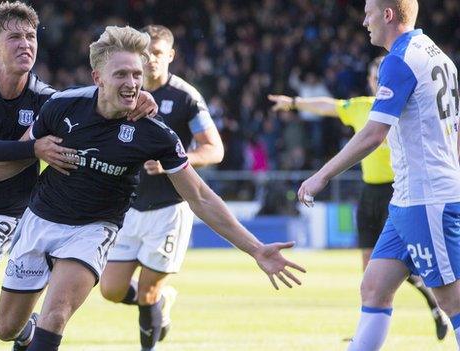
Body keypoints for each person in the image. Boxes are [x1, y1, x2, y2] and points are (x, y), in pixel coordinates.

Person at [0, 25, 306, 351]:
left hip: (94, 229)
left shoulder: (154, 133)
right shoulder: (62, 106)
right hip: (40, 221)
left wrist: (255, 249)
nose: (132, 83)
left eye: (136, 75)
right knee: (5, 329)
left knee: (56, 315)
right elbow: (24, 154)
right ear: (98, 77)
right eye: (121, 74)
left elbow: (200, 196)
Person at [0, 3, 156, 351]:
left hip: (2, 211)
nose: (25, 44)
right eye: (14, 37)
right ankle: (25, 334)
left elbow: (99, 98)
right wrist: (33, 149)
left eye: (30, 36)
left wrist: (137, 96)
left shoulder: (48, 100)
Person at [296, 1, 460, 349]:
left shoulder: (399, 60)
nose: (363, 19)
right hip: (406, 199)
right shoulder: (436, 55)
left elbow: (373, 134)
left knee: (452, 300)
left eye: (369, 11)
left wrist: (322, 175)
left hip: (426, 199)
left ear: (387, 15)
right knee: (374, 287)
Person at [268, 56, 448, 340]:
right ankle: (368, 329)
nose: (378, 82)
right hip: (369, 193)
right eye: (374, 78)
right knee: (370, 267)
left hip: (399, 192)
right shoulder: (362, 106)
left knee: (410, 263)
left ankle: (434, 305)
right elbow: (328, 106)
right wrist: (293, 102)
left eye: (381, 77)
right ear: (369, 80)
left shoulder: (406, 106)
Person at [98, 24, 224, 350]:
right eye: (146, 54)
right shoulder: (123, 91)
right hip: (129, 205)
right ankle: (161, 301)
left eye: (157, 53)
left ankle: (150, 336)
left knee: (146, 293)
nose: (151, 60)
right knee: (110, 290)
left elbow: (215, 149)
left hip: (168, 209)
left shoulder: (185, 97)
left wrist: (178, 159)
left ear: (170, 56)